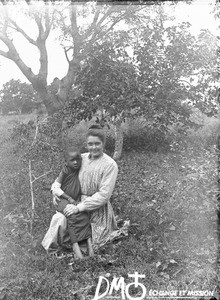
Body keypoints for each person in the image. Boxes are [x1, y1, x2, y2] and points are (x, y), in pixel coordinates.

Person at [42, 124, 120, 253]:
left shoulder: (110, 165)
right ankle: (53, 247)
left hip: (95, 208)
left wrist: (78, 208)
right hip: (74, 201)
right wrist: (54, 191)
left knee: (93, 243)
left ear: (103, 143)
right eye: (90, 144)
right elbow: (62, 176)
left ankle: (79, 246)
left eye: (97, 144)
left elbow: (104, 196)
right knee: (59, 219)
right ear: (86, 144)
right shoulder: (80, 158)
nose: (93, 147)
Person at [54, 148, 93, 259]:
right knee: (71, 215)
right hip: (62, 200)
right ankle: (76, 247)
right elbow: (56, 187)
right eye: (72, 160)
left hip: (74, 200)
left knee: (84, 215)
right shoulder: (65, 171)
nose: (76, 162)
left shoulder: (81, 169)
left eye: (78, 159)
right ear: (66, 162)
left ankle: (90, 246)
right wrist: (69, 198)